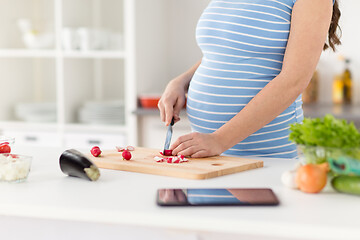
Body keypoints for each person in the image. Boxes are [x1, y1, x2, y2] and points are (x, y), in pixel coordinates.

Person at [158, 0, 341, 159]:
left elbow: (294, 81)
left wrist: (220, 140)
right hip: (207, 153)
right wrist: (181, 82)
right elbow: (223, 53)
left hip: (265, 155)